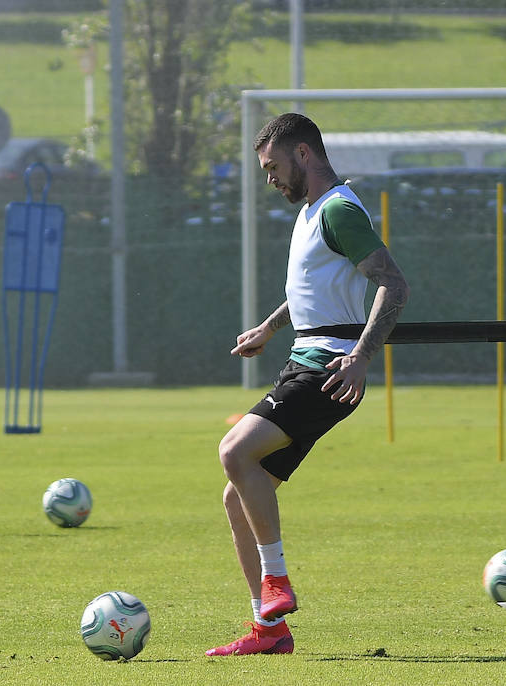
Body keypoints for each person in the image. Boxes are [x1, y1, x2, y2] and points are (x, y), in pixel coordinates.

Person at [205, 112, 410, 656]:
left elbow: (393, 283)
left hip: (328, 369)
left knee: (234, 450)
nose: (269, 178)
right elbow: (309, 289)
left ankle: (277, 582)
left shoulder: (340, 208)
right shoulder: (314, 213)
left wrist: (362, 358)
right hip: (304, 361)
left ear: (302, 154)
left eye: (272, 166)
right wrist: (270, 329)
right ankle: (269, 631)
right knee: (237, 496)